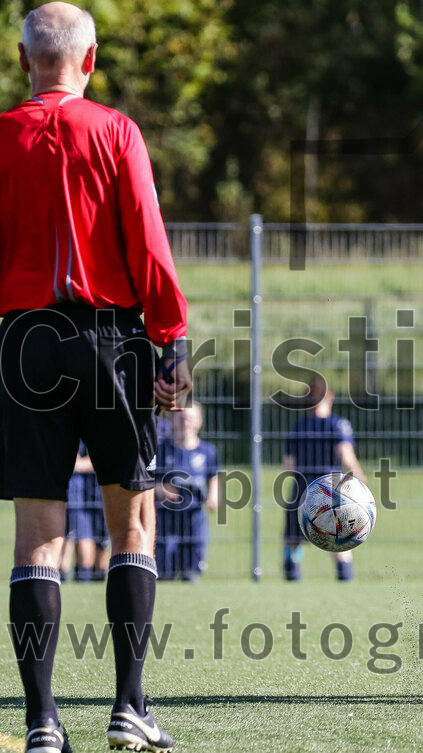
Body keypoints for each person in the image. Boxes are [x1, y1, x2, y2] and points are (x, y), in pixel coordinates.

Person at [0, 4, 190, 752]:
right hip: (110, 337)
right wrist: (169, 343)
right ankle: (128, 707)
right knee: (130, 525)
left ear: (24, 61)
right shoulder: (114, 131)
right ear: (91, 58)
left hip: (21, 341)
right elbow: (147, 237)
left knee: (36, 537)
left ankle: (42, 721)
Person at [283, 375, 367, 581]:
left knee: (293, 539)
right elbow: (345, 455)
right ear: (330, 396)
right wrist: (361, 481)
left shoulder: (298, 427)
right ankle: (344, 582)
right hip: (331, 491)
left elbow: (288, 465)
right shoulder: (337, 424)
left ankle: (291, 581)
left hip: (302, 489)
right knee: (340, 538)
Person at [154, 404, 219, 582]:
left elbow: (213, 476)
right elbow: (147, 478)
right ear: (172, 420)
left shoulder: (207, 451)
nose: (185, 423)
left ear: (199, 421)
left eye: (190, 419)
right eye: (181, 418)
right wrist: (159, 489)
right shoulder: (160, 449)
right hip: (166, 516)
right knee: (164, 569)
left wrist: (213, 497)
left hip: (194, 515)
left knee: (192, 569)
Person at [60, 444, 109, 582]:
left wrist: (79, 464)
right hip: (76, 496)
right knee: (69, 540)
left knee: (101, 546)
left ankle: (91, 578)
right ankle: (70, 579)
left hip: (98, 496)